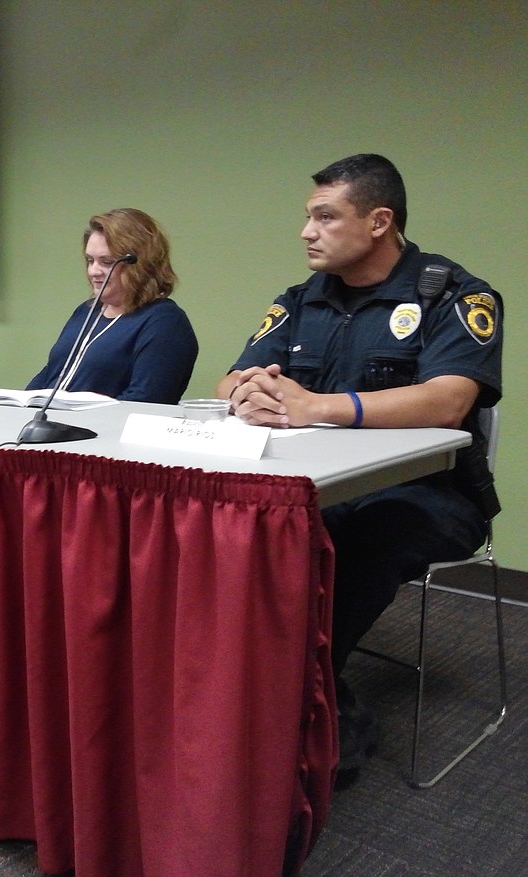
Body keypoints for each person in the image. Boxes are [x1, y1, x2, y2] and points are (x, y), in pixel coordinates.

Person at [217, 153, 502, 779]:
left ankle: (301, 708)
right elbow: (233, 375)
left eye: (324, 216)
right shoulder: (300, 300)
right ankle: (300, 700)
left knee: (357, 538)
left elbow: (451, 400)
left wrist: (320, 406)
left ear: (379, 221)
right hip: (318, 486)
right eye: (307, 216)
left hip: (430, 495)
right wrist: (246, 391)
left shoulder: (455, 294)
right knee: (240, 532)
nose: (306, 231)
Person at [26, 208, 197, 402]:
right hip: (54, 426)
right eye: (90, 260)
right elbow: (53, 373)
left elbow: (146, 399)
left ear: (141, 264)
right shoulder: (87, 311)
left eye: (107, 262)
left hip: (102, 430)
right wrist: (22, 404)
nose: (94, 271)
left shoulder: (164, 321)